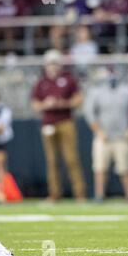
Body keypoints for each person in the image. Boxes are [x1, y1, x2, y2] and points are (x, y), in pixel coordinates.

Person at [31, 49, 86, 202]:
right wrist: (45, 104)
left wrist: (63, 103)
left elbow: (78, 99)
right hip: (48, 123)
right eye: (50, 64)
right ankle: (54, 194)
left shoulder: (68, 79)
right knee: (52, 160)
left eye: (55, 63)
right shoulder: (41, 82)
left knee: (71, 158)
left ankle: (79, 194)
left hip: (65, 121)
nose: (53, 67)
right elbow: (35, 105)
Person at [84, 67, 128, 202]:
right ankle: (99, 195)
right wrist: (99, 131)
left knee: (125, 168)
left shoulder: (126, 91)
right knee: (100, 167)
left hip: (121, 136)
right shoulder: (96, 91)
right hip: (103, 136)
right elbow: (89, 113)